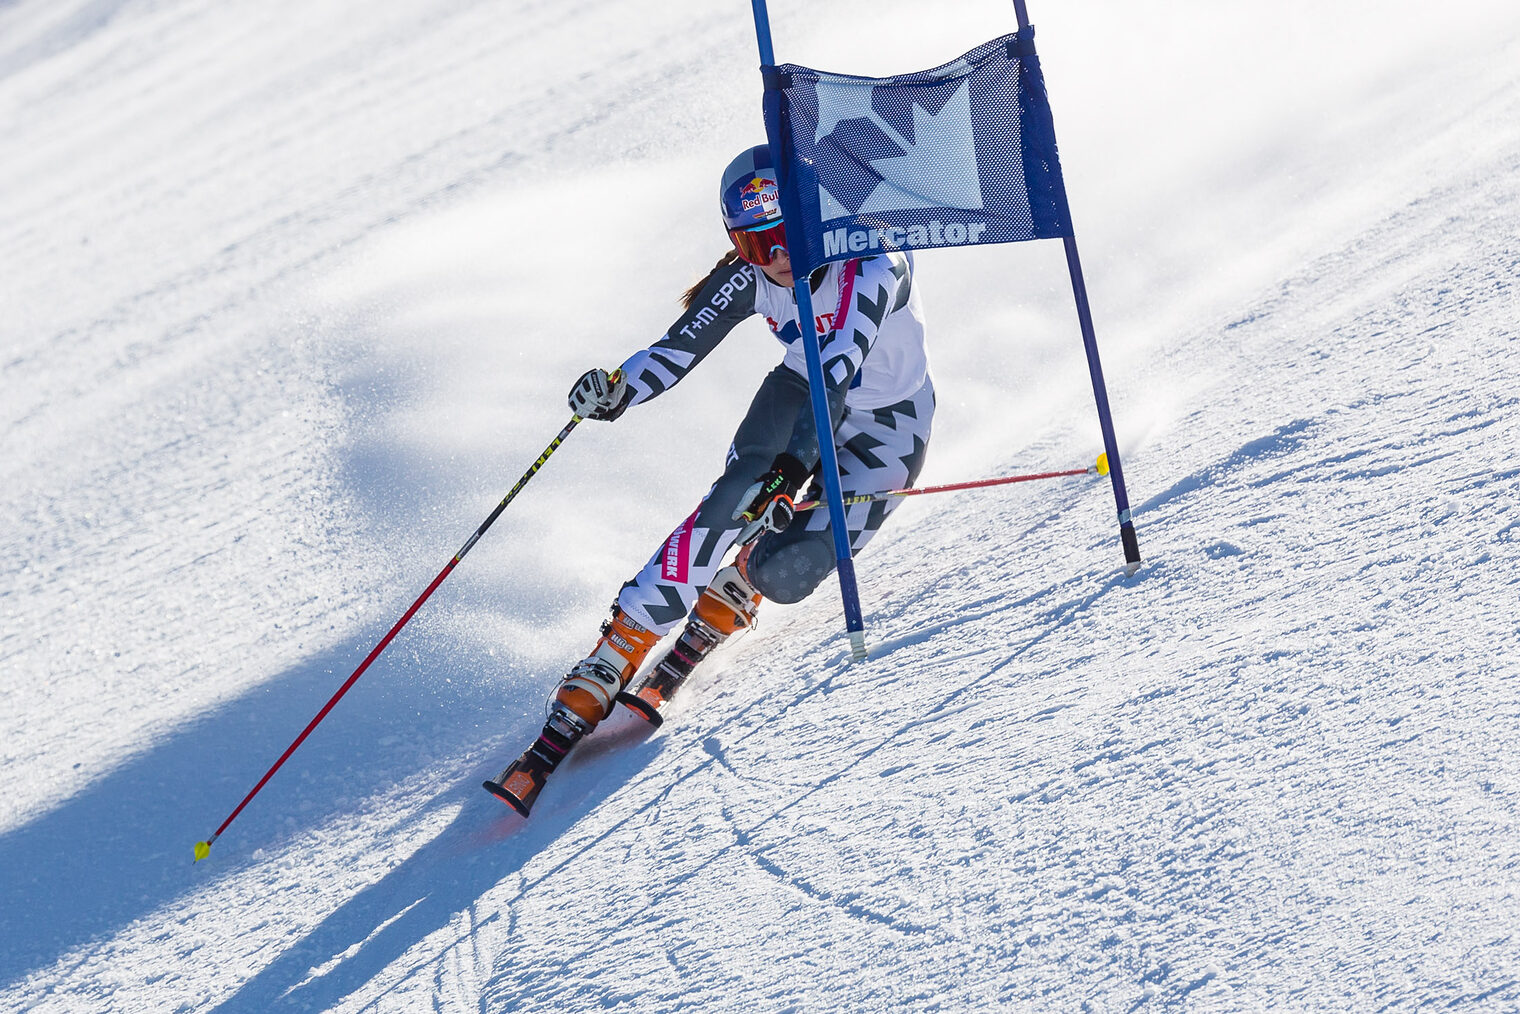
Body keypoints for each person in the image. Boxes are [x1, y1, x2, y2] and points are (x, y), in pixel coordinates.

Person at [488, 144, 935, 815]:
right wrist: (617, 390)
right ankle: (619, 649)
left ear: (817, 218)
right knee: (736, 498)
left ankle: (739, 585)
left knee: (790, 570)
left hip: (887, 428)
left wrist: (794, 470)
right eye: (757, 246)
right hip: (795, 394)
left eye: (788, 237)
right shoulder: (749, 279)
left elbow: (837, 371)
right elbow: (676, 350)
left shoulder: (874, 262)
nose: (777, 259)